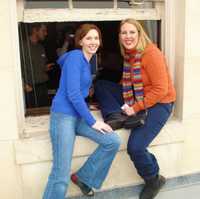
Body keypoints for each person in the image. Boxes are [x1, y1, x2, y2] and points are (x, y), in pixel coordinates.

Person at [94, 18, 176, 199]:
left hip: (160, 103)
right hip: (138, 96)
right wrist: (115, 94)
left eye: (132, 32)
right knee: (102, 85)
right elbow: (128, 81)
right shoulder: (130, 55)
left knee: (136, 147)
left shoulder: (151, 53)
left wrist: (135, 107)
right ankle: (116, 115)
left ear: (140, 34)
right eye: (124, 33)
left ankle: (153, 179)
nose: (128, 36)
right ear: (120, 36)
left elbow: (161, 90)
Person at [42, 24, 121, 199]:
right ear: (80, 41)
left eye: (96, 38)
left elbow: (79, 92)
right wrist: (93, 121)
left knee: (112, 141)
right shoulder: (76, 57)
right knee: (60, 174)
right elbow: (72, 94)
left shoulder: (88, 60)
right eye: (89, 38)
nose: (93, 42)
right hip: (63, 116)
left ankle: (83, 177)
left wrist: (87, 106)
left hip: (78, 116)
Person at [21, 23, 54, 108]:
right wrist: (23, 84)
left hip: (43, 87)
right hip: (30, 89)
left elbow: (40, 66)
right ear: (35, 30)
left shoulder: (40, 47)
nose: (46, 33)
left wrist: (45, 68)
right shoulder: (22, 47)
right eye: (43, 31)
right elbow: (16, 68)